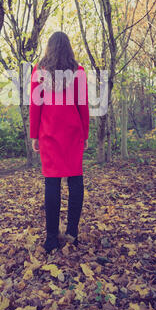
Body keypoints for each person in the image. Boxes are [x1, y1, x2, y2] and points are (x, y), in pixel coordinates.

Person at [29, 31, 89, 253]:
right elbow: (83, 105)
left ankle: (51, 238)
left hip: (49, 133)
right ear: (69, 48)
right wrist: (85, 134)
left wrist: (34, 134)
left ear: (49, 48)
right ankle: (72, 232)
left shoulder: (39, 72)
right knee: (75, 181)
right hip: (73, 133)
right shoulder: (78, 72)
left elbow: (35, 106)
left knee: (52, 183)